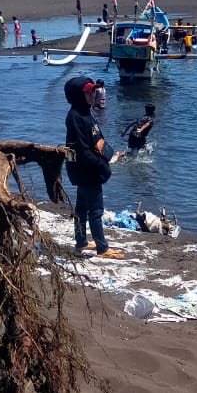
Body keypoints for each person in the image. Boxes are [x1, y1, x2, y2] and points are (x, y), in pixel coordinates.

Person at [64, 76, 123, 259]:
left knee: (82, 208)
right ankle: (102, 248)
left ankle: (81, 241)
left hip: (88, 169)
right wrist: (101, 166)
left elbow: (97, 140)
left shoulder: (86, 113)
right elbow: (81, 150)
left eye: (93, 92)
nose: (93, 95)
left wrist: (108, 155)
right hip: (86, 170)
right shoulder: (75, 117)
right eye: (89, 92)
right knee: (96, 211)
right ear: (78, 95)